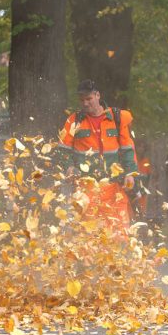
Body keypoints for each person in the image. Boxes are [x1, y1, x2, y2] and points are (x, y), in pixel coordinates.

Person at [57, 79, 138, 232]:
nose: (85, 103)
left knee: (119, 230)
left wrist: (130, 173)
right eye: (82, 100)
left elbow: (128, 149)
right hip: (86, 189)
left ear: (98, 95)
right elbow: (62, 150)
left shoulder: (117, 117)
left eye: (89, 99)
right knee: (89, 233)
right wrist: (68, 167)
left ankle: (120, 255)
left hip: (114, 186)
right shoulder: (74, 121)